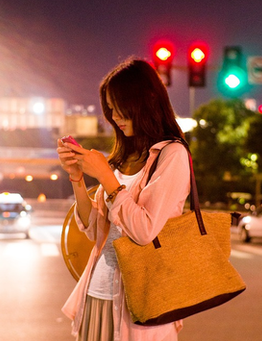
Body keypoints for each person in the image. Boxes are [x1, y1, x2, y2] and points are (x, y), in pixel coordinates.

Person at [57, 58, 191, 341]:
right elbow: (96, 231)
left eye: (120, 108)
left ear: (147, 99)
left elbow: (144, 231)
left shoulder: (172, 155)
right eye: (110, 109)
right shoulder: (123, 157)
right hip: (97, 294)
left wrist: (107, 178)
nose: (115, 116)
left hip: (141, 304)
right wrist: (77, 177)